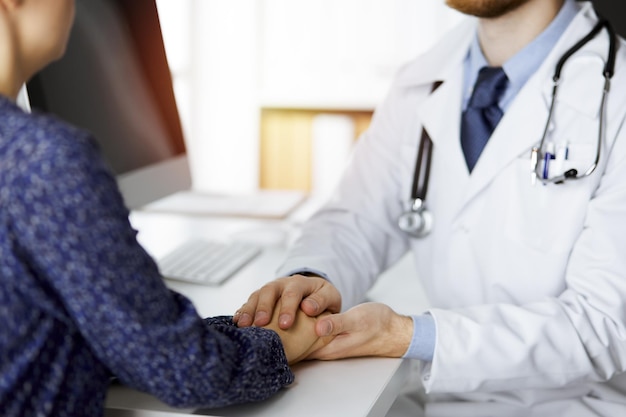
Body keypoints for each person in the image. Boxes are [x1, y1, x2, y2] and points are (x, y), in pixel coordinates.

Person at [235, 0, 626, 414]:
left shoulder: (616, 94)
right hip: (441, 396)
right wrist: (311, 280)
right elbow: (356, 218)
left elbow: (604, 325)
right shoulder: (424, 77)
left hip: (577, 404)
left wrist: (409, 335)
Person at [0, 1, 330, 416]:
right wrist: (282, 341)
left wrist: (226, 331)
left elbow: (92, 338)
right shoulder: (43, 160)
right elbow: (186, 371)